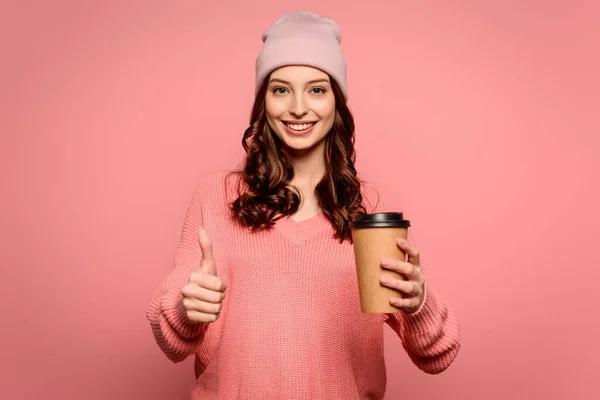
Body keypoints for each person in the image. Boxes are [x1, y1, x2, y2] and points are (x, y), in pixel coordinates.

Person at [146, 10, 460, 399]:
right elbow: (171, 341)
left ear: (336, 103)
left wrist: (417, 304)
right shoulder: (217, 196)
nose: (298, 107)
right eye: (280, 89)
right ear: (263, 102)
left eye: (316, 89)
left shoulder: (373, 207)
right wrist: (186, 308)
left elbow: (437, 354)